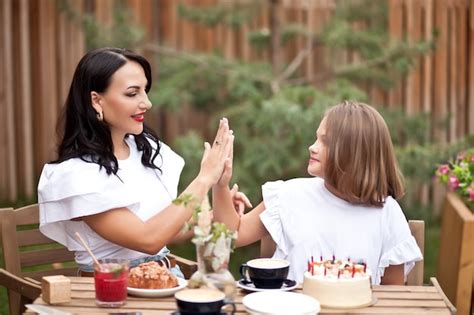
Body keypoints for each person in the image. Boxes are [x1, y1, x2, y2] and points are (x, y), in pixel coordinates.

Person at [38, 47, 249, 277]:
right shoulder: (78, 174)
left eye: (145, 91)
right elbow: (148, 240)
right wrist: (203, 179)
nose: (146, 103)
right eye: (132, 93)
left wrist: (217, 205)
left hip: (165, 280)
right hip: (109, 295)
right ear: (96, 100)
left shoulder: (145, 151)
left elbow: (169, 231)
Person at [213, 101, 423, 285]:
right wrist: (220, 185)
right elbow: (232, 235)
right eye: (316, 138)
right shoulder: (289, 194)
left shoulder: (387, 213)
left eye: (326, 142)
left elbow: (392, 294)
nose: (312, 147)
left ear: (354, 155)